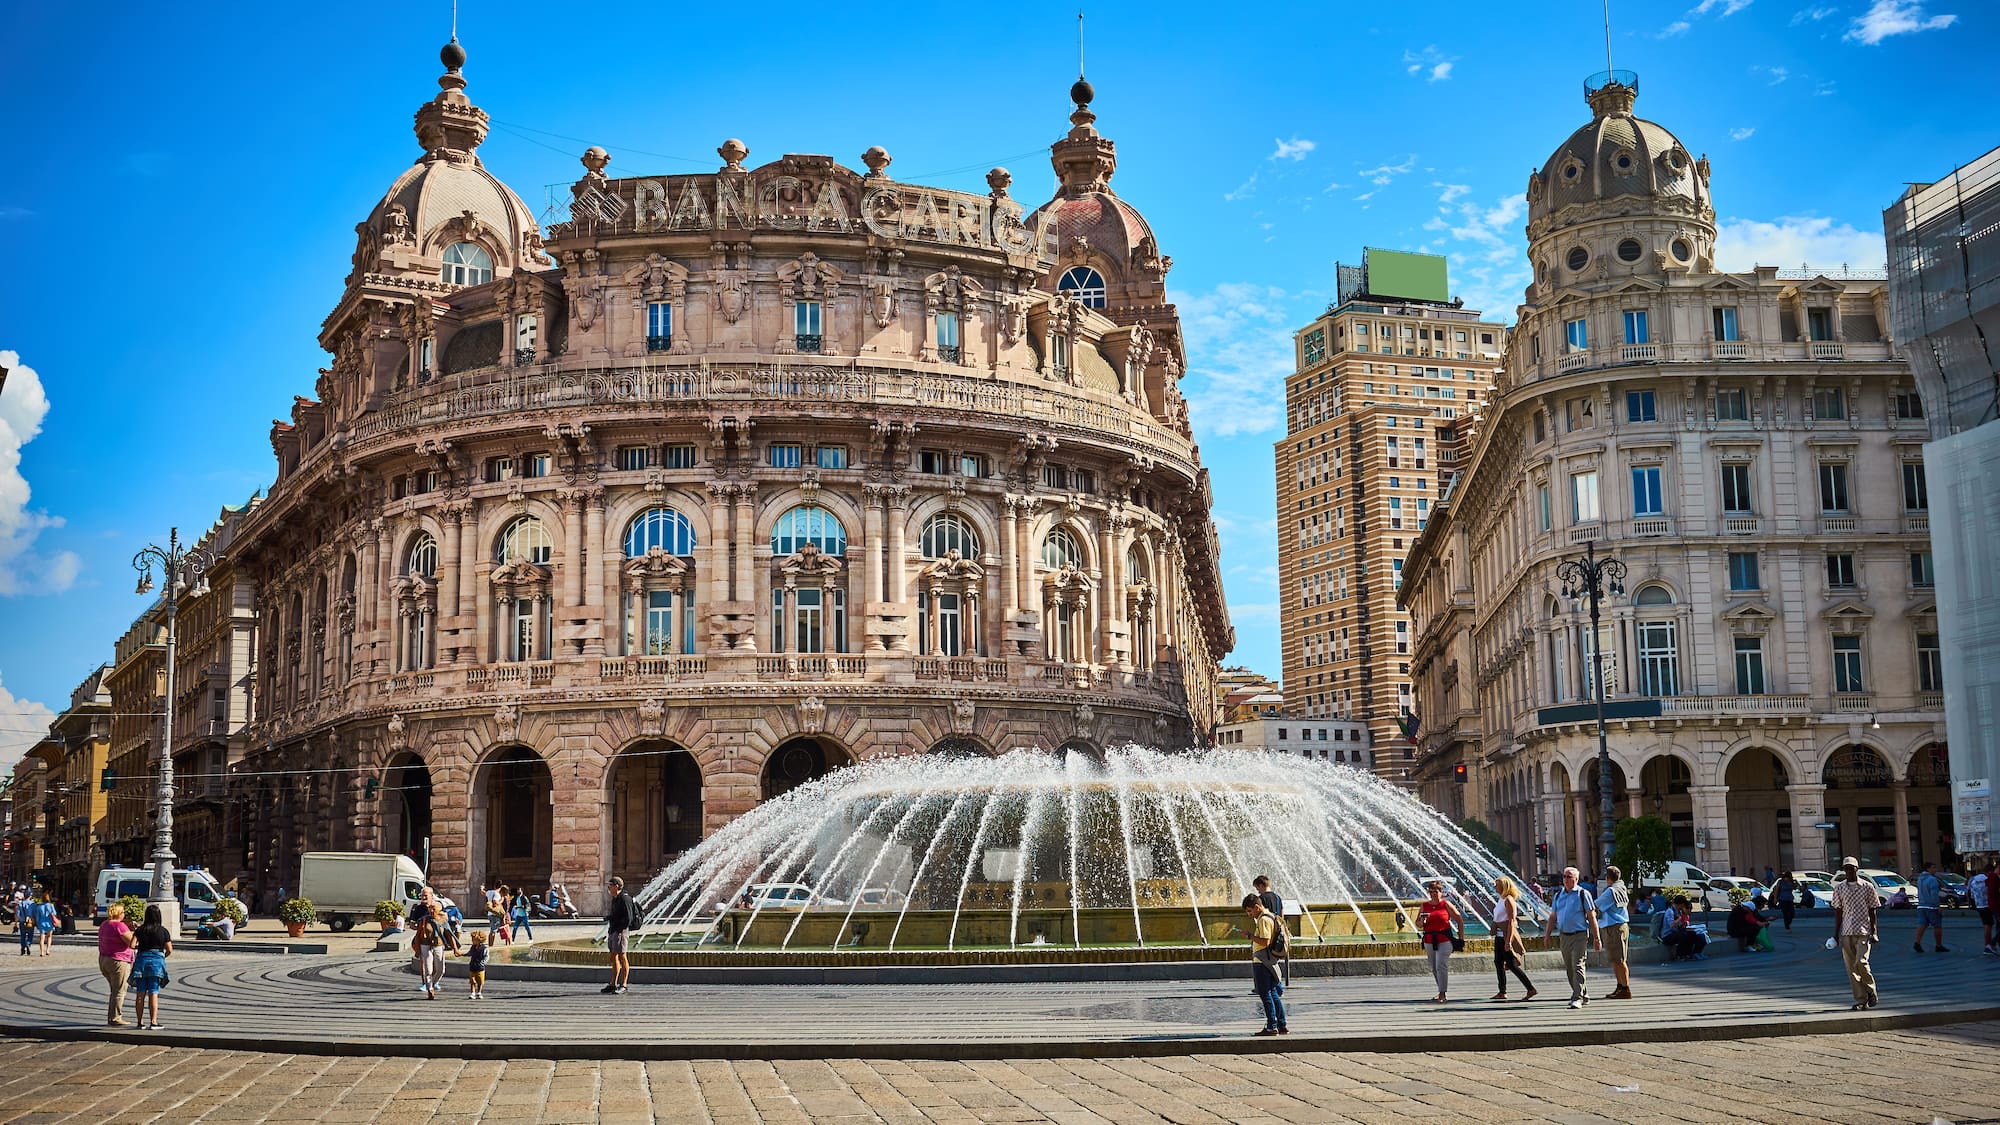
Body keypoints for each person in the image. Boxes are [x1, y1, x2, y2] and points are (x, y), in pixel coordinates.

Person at [1541, 866, 1599, 1009]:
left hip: (1579, 935)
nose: (1566, 879)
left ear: (1576, 879)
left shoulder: (1583, 894)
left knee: (1578, 965)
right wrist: (1547, 935)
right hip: (1564, 935)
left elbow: (1592, 916)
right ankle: (1583, 994)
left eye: (1569, 877)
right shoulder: (1558, 895)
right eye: (1565, 877)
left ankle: (1576, 997)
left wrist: (1597, 937)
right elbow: (1553, 917)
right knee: (1569, 968)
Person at [1832, 855, 1882, 1010]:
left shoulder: (1867, 886)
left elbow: (1873, 909)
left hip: (1863, 930)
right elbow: (1838, 911)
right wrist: (1836, 933)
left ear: (1857, 869)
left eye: (1851, 868)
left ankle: (1871, 991)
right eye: (1845, 868)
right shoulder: (1839, 888)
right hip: (1846, 931)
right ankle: (1861, 1000)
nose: (1848, 871)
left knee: (1861, 962)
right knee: (1851, 968)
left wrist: (1874, 931)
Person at [1242, 893, 1288, 1035]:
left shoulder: (1263, 920)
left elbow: (1265, 941)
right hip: (1270, 960)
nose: (1249, 915)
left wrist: (1250, 936)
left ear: (1257, 907)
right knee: (1273, 993)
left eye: (1250, 911)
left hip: (1262, 961)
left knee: (1265, 993)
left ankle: (1271, 1026)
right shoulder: (1271, 916)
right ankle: (1281, 1024)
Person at [1489, 875, 1537, 1001]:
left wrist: (1508, 941)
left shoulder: (1509, 900)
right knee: (1498, 963)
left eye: (1497, 884)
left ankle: (1530, 989)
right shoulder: (1501, 899)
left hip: (1505, 937)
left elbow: (1511, 922)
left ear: (1504, 886)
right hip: (1499, 937)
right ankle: (1502, 991)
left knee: (1511, 964)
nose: (1495, 887)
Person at [1415, 880, 1461, 1003]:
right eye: (1431, 892)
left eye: (1435, 892)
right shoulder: (1424, 906)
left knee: (1441, 965)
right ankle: (1440, 989)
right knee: (1434, 967)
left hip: (1444, 939)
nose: (1433, 894)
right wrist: (1422, 921)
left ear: (1441, 892)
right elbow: (1418, 924)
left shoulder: (1446, 905)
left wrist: (1461, 938)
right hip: (1429, 940)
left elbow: (1459, 919)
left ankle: (1442, 993)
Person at [130, 904, 173, 1030]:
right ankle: (153, 1022)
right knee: (153, 993)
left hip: (142, 961)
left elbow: (132, 945)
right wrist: (162, 956)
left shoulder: (140, 930)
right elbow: (169, 949)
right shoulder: (163, 931)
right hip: (156, 962)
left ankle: (140, 1022)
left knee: (140, 994)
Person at [409, 886, 455, 1000]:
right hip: (423, 940)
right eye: (422, 895)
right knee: (426, 966)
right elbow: (412, 924)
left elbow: (446, 924)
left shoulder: (439, 906)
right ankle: (427, 986)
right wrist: (421, 927)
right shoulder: (418, 908)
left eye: (426, 895)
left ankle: (434, 982)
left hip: (438, 942)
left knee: (440, 968)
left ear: (431, 895)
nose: (423, 897)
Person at [96, 902, 137, 1027]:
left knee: (114, 990)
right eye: (123, 912)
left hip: (104, 959)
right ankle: (115, 1017)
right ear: (119, 913)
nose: (124, 914)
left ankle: (112, 1016)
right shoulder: (120, 926)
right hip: (118, 961)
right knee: (119, 991)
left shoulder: (104, 924)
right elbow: (132, 943)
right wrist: (135, 932)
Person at [1595, 866, 1633, 998]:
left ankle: (1625, 988)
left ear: (1607, 878)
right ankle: (1620, 987)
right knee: (1617, 959)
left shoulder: (1610, 891)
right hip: (1621, 925)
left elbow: (1596, 905)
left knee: (1619, 960)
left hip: (1613, 927)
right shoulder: (1621, 887)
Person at [603, 876, 634, 995]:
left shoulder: (624, 899)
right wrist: (610, 919)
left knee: (622, 956)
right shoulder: (615, 899)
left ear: (616, 886)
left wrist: (619, 928)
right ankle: (613, 984)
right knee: (613, 957)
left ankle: (624, 985)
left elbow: (628, 918)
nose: (608, 888)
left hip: (620, 931)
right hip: (614, 930)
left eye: (610, 885)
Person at [1913, 861, 1948, 953]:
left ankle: (1917, 943)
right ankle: (1938, 945)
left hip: (1921, 905)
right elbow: (1934, 894)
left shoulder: (1920, 879)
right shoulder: (1932, 879)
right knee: (1937, 926)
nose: (1935, 870)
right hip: (1931, 906)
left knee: (1922, 924)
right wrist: (1938, 906)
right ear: (1928, 869)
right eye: (1933, 867)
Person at [1662, 896, 1708, 960]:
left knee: (1694, 934)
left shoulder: (1678, 911)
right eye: (1683, 905)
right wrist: (1680, 918)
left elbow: (1680, 925)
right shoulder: (1670, 911)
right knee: (1683, 935)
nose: (1683, 907)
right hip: (1668, 935)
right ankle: (1679, 955)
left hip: (1676, 932)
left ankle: (1691, 953)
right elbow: (1671, 925)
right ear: (1680, 904)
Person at [1971, 863, 1995, 955]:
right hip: (1987, 905)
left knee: (1986, 925)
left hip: (1979, 905)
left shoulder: (1973, 880)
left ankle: (1988, 945)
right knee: (1989, 925)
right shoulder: (1987, 880)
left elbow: (1972, 894)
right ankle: (1988, 945)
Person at [466, 929, 489, 999]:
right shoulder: (473, 947)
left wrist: (483, 963)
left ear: (479, 940)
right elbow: (470, 953)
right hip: (472, 966)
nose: (472, 940)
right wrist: (462, 954)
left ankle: (479, 992)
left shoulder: (484, 948)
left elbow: (486, 957)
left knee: (480, 981)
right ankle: (473, 992)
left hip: (480, 968)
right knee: (472, 981)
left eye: (473, 939)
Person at [31, 889, 55, 956]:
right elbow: (54, 913)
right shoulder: (51, 905)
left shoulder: (39, 907)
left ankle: (42, 952)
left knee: (42, 938)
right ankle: (48, 950)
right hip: (49, 922)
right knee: (49, 937)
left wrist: (37, 924)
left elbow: (37, 917)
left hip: (41, 923)